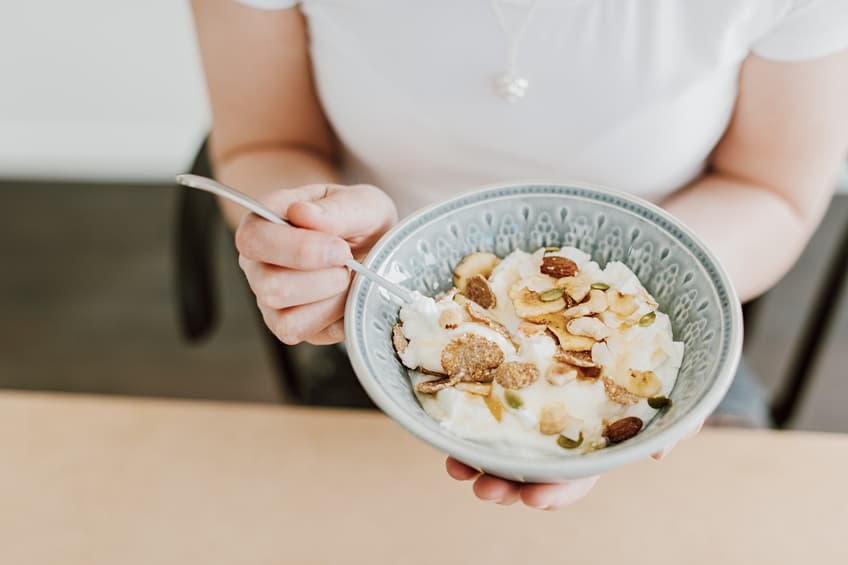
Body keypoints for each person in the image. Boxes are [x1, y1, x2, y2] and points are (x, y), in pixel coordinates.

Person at [190, 0, 848, 509]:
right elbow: (262, 141)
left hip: (671, 310)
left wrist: (652, 295)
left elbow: (773, 188)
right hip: (384, 313)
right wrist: (313, 235)